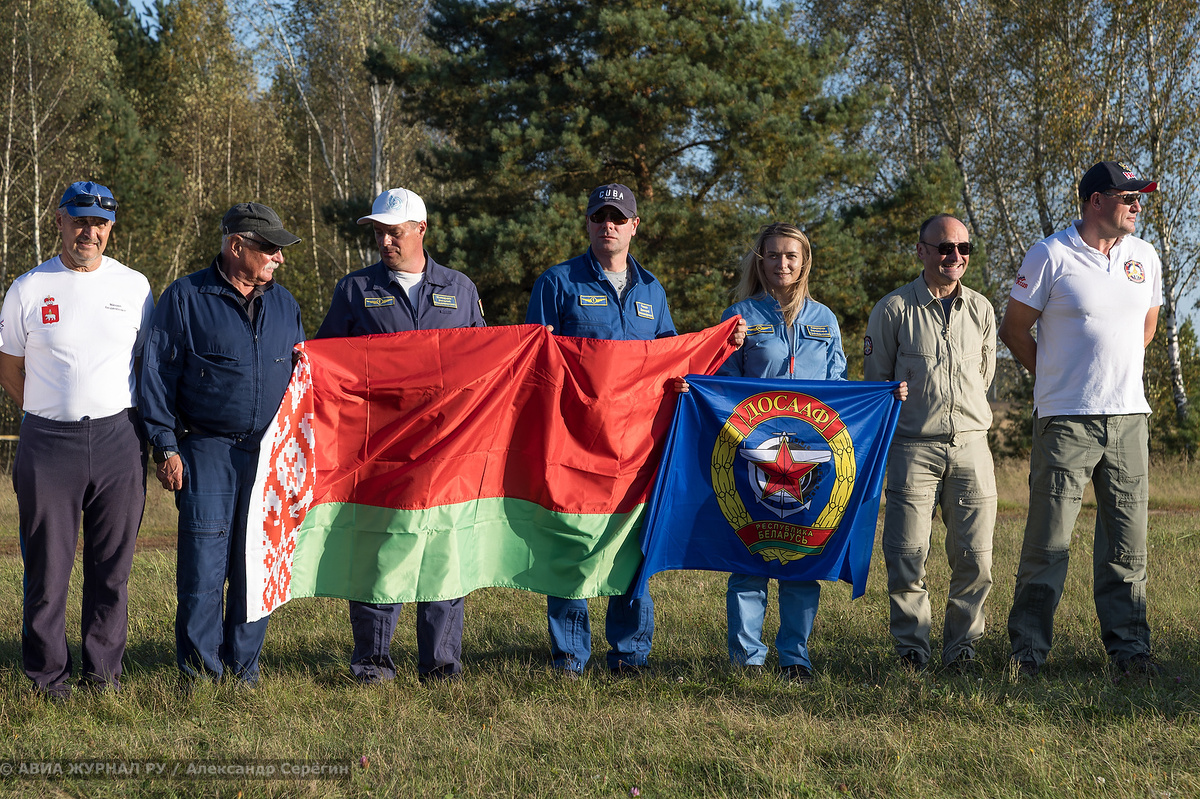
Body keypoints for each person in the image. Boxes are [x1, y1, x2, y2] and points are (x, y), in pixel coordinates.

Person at [525, 182, 746, 675]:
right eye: (600, 215)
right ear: (587, 223)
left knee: (632, 543)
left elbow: (671, 360)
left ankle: (630, 654)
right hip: (574, 443)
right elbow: (535, 363)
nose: (609, 224)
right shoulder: (557, 283)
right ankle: (569, 656)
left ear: (634, 226)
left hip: (637, 447)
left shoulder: (652, 290)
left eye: (618, 217)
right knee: (571, 543)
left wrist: (720, 343)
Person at [315, 187, 485, 684]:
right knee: (377, 550)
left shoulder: (461, 288)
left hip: (445, 450)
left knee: (442, 552)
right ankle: (372, 664)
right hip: (378, 448)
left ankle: (441, 665)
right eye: (379, 232)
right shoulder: (354, 289)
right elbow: (326, 361)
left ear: (421, 231)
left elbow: (483, 361)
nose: (385, 240)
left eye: (394, 231)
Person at [999, 161, 1162, 677]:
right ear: (1095, 201)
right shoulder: (1051, 254)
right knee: (1049, 542)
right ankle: (1027, 655)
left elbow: (1147, 327)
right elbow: (1015, 328)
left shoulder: (1145, 257)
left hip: (1129, 419)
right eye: (1128, 196)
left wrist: (1113, 374)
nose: (1137, 206)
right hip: (1067, 419)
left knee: (1126, 543)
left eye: (1140, 198)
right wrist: (1056, 375)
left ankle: (1130, 653)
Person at [140, 202, 305, 687]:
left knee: (257, 565)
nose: (279, 258)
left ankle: (244, 671)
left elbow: (301, 381)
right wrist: (165, 445)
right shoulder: (186, 298)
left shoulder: (285, 304)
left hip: (269, 456)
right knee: (203, 569)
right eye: (270, 249)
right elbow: (156, 374)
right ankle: (199, 674)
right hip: (206, 451)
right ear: (238, 246)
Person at [0, 181, 153, 698]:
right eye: (79, 221)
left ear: (111, 228)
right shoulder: (28, 287)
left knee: (112, 569)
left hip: (118, 439)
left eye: (100, 223)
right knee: (48, 569)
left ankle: (102, 675)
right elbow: (10, 366)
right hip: (47, 443)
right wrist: (48, 412)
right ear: (60, 222)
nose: (89, 232)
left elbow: (144, 364)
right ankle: (47, 677)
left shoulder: (135, 287)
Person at [715, 222, 850, 683]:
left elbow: (839, 388)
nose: (782, 264)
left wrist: (887, 396)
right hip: (752, 453)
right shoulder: (739, 315)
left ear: (804, 261)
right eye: (772, 255)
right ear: (760, 261)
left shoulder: (825, 319)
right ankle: (747, 660)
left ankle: (795, 657)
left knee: (800, 556)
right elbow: (719, 382)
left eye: (791, 256)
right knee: (750, 555)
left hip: (811, 456)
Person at [864, 214, 996, 674]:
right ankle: (912, 652)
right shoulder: (893, 310)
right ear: (920, 251)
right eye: (943, 248)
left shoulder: (982, 309)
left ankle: (962, 651)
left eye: (963, 248)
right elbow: (876, 384)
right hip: (911, 448)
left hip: (972, 446)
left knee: (975, 557)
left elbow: (984, 376)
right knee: (906, 554)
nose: (954, 256)